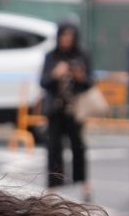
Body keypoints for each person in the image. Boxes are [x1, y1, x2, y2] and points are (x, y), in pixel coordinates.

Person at [38, 18, 94, 200]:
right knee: (53, 148)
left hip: (75, 109)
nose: (67, 39)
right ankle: (53, 186)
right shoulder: (51, 56)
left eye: (70, 36)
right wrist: (55, 73)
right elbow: (43, 82)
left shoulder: (81, 55)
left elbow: (89, 83)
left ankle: (84, 183)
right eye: (64, 35)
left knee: (79, 146)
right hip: (55, 109)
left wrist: (80, 76)